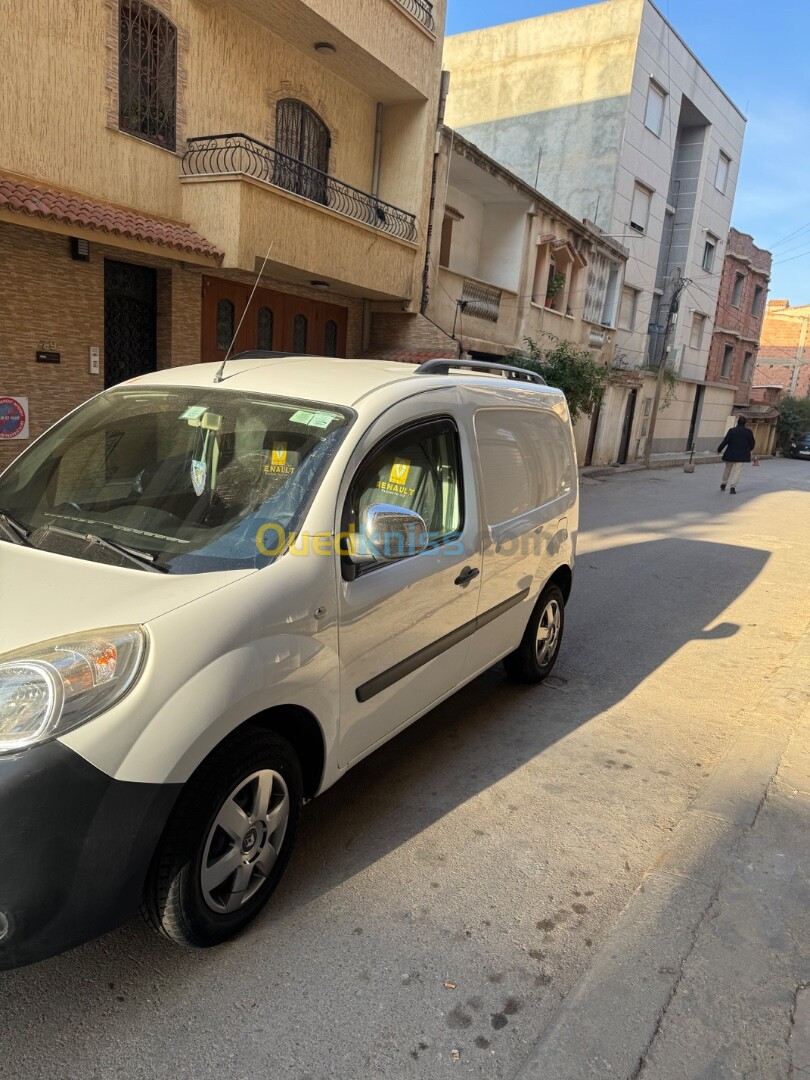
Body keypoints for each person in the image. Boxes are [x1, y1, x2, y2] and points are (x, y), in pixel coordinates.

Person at [717, 416, 756, 493]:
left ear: (737, 422)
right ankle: (733, 487)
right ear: (745, 423)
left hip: (730, 453)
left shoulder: (732, 431)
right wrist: (749, 450)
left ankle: (724, 483)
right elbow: (752, 443)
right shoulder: (748, 432)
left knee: (727, 469)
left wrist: (719, 449)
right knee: (737, 471)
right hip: (741, 455)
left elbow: (725, 441)